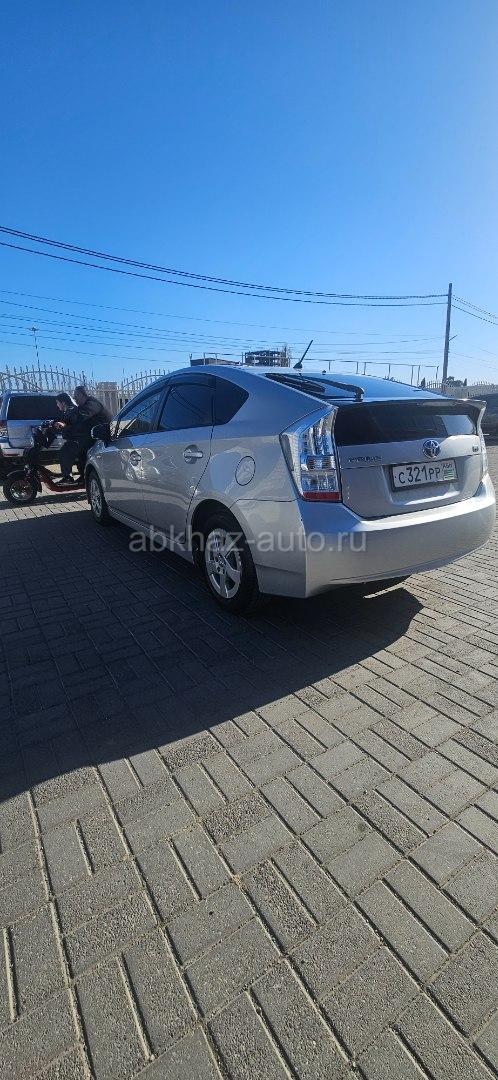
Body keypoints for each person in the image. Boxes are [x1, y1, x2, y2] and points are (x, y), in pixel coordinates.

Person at [55, 385, 110, 484]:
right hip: (92, 436)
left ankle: (68, 477)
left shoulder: (92, 404)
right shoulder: (82, 406)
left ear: (83, 395)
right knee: (80, 451)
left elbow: (81, 416)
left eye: (76, 395)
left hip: (103, 437)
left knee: (67, 450)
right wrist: (59, 422)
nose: (74, 397)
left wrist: (66, 423)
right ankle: (84, 476)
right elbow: (73, 418)